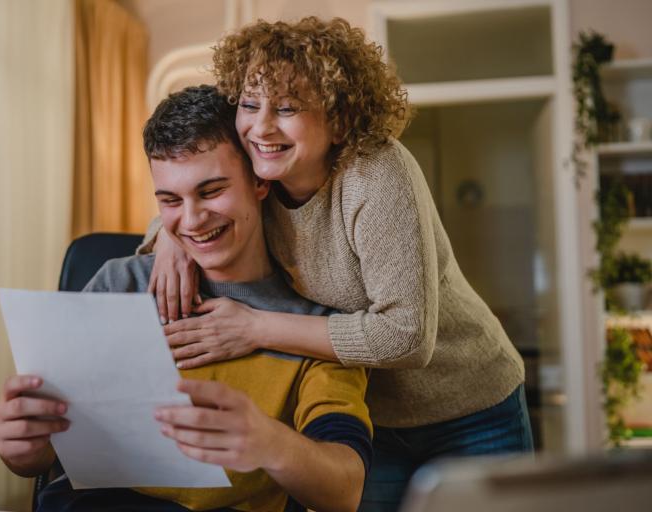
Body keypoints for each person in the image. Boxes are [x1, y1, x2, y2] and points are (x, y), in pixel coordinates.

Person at [143, 17, 534, 509]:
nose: (260, 126)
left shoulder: (374, 173)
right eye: (249, 104)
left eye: (286, 108)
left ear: (340, 118)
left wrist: (255, 328)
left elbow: (406, 335)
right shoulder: (263, 173)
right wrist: (167, 240)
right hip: (371, 418)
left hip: (471, 408)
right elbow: (192, 201)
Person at [0, 84, 372, 512]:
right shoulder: (120, 285)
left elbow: (344, 490)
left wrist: (268, 441)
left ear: (260, 182)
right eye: (170, 200)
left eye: (211, 191)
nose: (191, 221)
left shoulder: (316, 322)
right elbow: (44, 455)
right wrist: (22, 448)